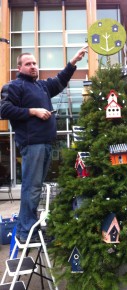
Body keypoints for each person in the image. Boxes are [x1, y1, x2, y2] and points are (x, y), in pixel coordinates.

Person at [0, 46, 88, 243]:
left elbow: (59, 81)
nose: (33, 67)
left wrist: (73, 62)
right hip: (32, 145)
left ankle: (30, 228)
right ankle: (25, 233)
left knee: (36, 188)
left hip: (46, 144)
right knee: (31, 188)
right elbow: (4, 109)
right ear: (19, 68)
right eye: (28, 64)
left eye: (35, 63)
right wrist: (33, 111)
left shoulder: (41, 86)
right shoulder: (14, 86)